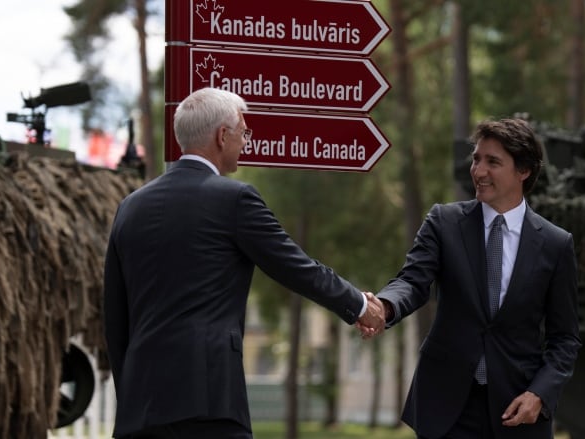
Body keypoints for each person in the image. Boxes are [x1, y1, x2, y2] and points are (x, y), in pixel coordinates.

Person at [103, 87, 385, 439]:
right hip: (208, 402)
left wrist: (130, 393)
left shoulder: (130, 207)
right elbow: (295, 266)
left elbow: (114, 317)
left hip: (140, 408)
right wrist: (359, 304)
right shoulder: (233, 199)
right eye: (243, 132)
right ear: (222, 136)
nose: (246, 142)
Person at [374, 118, 581, 439]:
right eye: (476, 158)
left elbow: (565, 338)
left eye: (493, 162)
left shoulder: (555, 244)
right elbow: (413, 282)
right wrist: (385, 306)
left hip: (517, 409)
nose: (478, 171)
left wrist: (539, 394)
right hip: (447, 408)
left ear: (523, 171)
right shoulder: (444, 222)